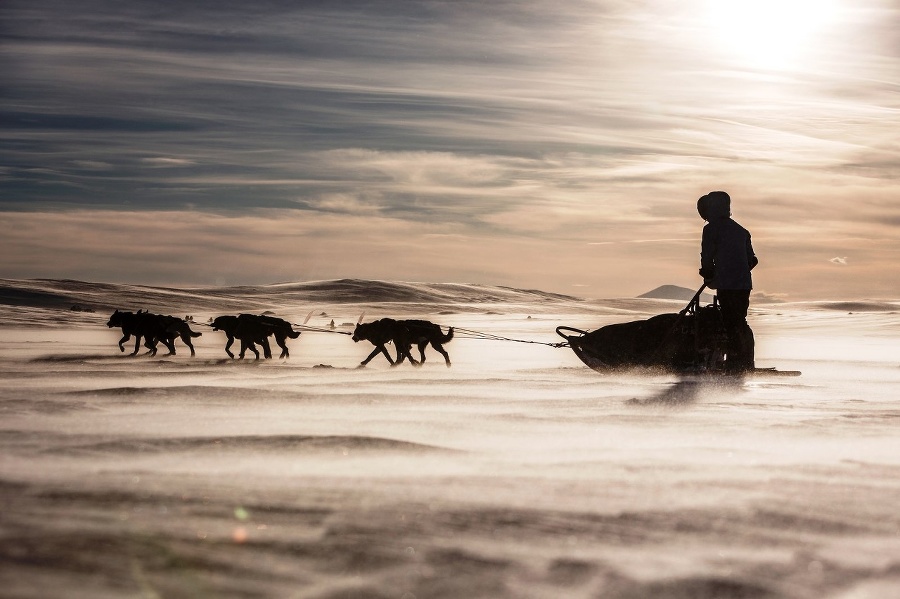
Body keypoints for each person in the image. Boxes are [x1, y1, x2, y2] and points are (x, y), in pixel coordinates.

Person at [697, 191, 758, 372]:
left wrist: (709, 273)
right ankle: (744, 361)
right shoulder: (742, 231)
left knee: (731, 323)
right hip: (743, 284)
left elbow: (707, 257)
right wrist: (739, 269)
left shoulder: (711, 230)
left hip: (727, 284)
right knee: (740, 321)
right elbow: (752, 260)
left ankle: (735, 364)